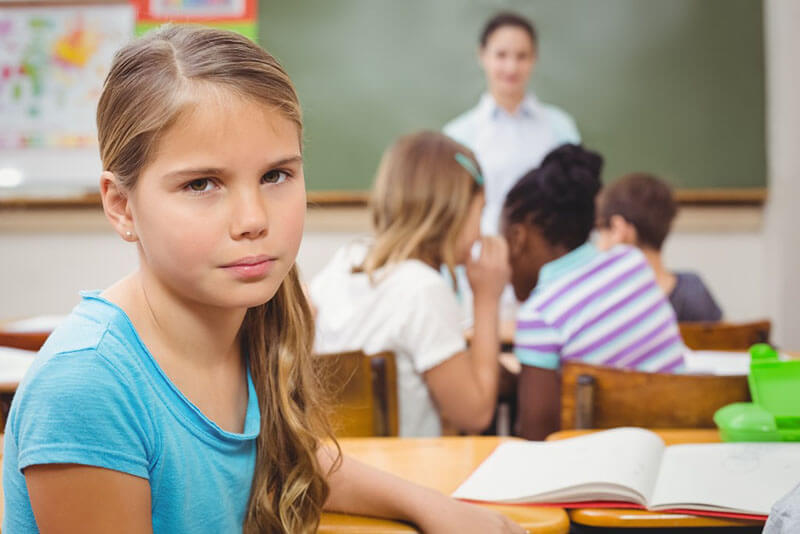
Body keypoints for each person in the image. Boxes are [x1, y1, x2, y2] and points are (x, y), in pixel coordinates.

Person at [2, 26, 523, 534]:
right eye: (202, 184)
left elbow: (295, 457)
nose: (253, 219)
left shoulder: (253, 319)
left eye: (276, 175)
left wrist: (431, 506)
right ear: (121, 206)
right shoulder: (88, 387)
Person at [310, 131, 510, 437]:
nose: (482, 230)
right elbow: (476, 414)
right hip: (407, 474)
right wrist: (487, 300)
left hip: (346, 469)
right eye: (479, 212)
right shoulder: (423, 289)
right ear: (454, 211)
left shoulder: (343, 263)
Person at [500, 145, 686, 440]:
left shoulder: (540, 315)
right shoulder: (632, 262)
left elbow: (536, 438)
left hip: (607, 471)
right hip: (678, 443)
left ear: (517, 239)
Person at [444, 11, 580, 236]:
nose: (511, 67)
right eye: (501, 55)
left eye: (522, 56)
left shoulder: (561, 127)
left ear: (534, 59)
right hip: (481, 256)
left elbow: (576, 198)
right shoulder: (457, 136)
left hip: (549, 256)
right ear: (482, 55)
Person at [595, 172, 723, 322]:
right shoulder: (694, 290)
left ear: (619, 228)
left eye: (601, 232)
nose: (599, 245)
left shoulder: (608, 302)